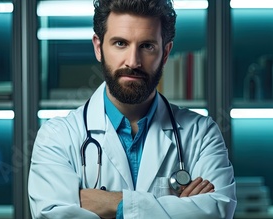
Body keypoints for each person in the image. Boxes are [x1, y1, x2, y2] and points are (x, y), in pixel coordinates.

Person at [27, 0, 237, 218]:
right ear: (99, 48)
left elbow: (218, 210)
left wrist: (116, 204)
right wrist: (176, 208)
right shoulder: (57, 137)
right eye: (120, 43)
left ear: (165, 53)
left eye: (147, 46)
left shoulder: (201, 133)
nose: (133, 61)